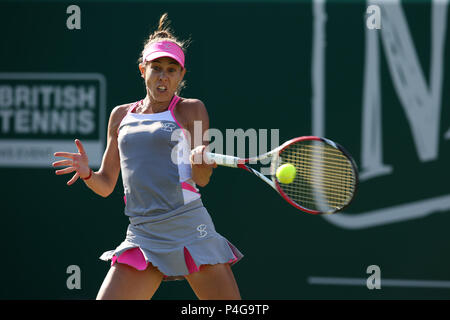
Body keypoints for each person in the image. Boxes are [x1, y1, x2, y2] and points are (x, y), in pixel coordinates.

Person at [52, 13, 243, 300]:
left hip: (190, 227)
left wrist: (200, 161)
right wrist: (88, 173)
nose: (163, 76)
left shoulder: (191, 110)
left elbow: (201, 179)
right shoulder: (120, 116)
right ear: (143, 70)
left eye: (171, 69)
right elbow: (106, 185)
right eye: (156, 68)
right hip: (142, 235)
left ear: (181, 75)